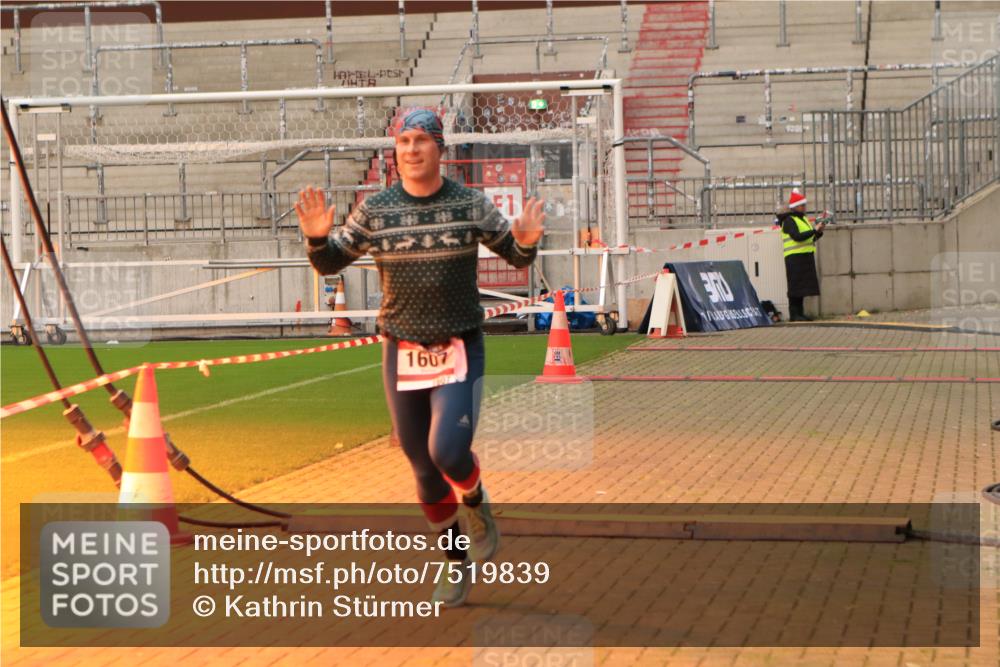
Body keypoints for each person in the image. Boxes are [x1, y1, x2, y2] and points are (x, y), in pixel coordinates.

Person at [295, 109, 545, 608]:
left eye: (422, 140)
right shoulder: (376, 209)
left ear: (440, 148)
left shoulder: (470, 204)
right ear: (396, 151)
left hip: (458, 345)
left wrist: (525, 243)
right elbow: (329, 262)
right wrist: (317, 237)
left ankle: (476, 500)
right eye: (403, 141)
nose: (411, 149)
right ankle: (455, 563)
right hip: (400, 350)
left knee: (448, 453)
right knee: (423, 468)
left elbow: (516, 258)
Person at [778, 189, 825, 322]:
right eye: (802, 205)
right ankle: (794, 314)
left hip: (804, 257)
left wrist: (819, 232)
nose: (805, 207)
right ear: (795, 206)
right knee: (795, 286)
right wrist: (813, 231)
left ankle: (800, 313)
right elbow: (797, 237)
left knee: (802, 287)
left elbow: (809, 238)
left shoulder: (803, 219)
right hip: (794, 258)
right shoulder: (789, 220)